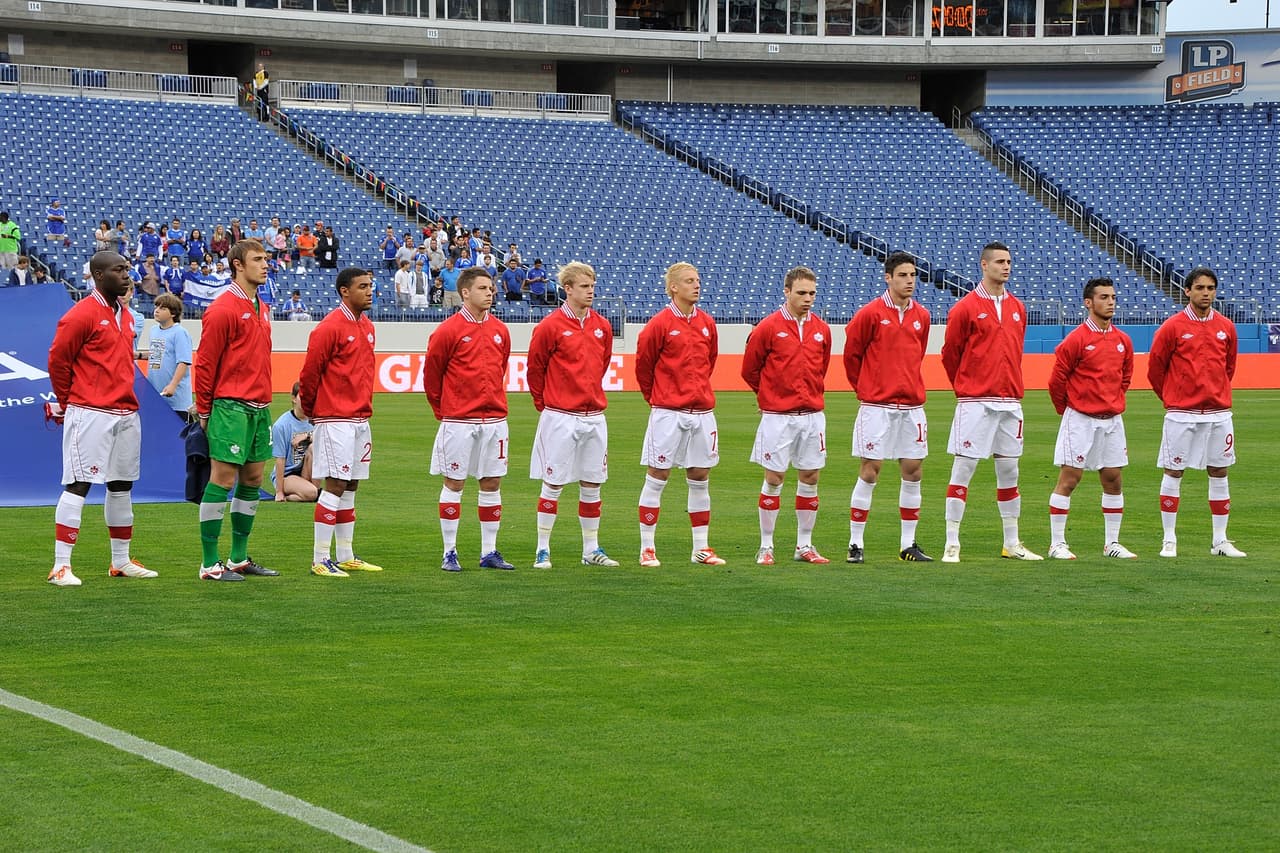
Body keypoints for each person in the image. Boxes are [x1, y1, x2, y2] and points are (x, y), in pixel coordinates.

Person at [45, 251, 156, 586]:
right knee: (78, 484)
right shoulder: (81, 315)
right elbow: (58, 362)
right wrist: (71, 403)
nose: (127, 275)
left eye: (127, 269)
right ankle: (60, 566)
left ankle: (120, 561)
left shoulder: (126, 314)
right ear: (97, 274)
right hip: (90, 411)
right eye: (118, 270)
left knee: (121, 485)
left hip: (126, 411)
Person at [939, 241, 1041, 563]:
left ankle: (1011, 542)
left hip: (1010, 400)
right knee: (964, 468)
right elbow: (950, 354)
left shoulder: (1017, 308)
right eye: (1000, 261)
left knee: (1010, 472)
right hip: (975, 400)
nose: (1006, 266)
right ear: (984, 265)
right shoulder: (965, 308)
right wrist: (966, 387)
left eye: (1009, 261)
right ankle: (952, 542)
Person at [191, 239, 280, 582]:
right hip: (229, 405)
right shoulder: (223, 308)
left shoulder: (263, 306)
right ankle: (209, 563)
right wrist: (204, 409)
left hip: (259, 406)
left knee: (254, 479)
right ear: (238, 265)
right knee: (223, 479)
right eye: (258, 259)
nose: (265, 264)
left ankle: (239, 557)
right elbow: (207, 362)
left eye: (266, 258)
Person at [842, 252, 934, 564]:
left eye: (913, 276)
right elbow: (852, 355)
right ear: (888, 278)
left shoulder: (922, 315)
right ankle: (856, 543)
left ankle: (908, 544)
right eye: (903, 275)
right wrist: (867, 389)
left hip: (911, 407)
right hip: (876, 406)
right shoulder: (869, 313)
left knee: (913, 471)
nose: (910, 281)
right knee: (871, 470)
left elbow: (917, 355)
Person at [526, 262, 618, 569]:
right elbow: (535, 370)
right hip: (560, 416)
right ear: (568, 289)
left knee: (592, 484)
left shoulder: (602, 326)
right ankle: (542, 548)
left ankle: (591, 548)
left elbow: (601, 365)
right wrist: (548, 405)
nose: (590, 291)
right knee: (553, 483)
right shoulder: (550, 327)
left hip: (594, 416)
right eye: (584, 286)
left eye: (592, 286)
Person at [1148, 266, 1245, 558]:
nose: (1206, 293)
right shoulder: (1172, 327)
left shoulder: (1226, 326)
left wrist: (1216, 394)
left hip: (1218, 413)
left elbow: (1229, 367)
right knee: (1174, 471)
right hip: (1182, 414)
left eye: (1210, 288)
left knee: (1219, 471)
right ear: (1187, 290)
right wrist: (1174, 397)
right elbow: (1155, 369)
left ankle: (1220, 540)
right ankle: (1169, 539)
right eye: (1200, 288)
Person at [423, 267, 514, 572]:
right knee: (454, 482)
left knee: (491, 482)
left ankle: (489, 551)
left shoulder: (501, 330)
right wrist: (447, 411)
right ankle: (449, 551)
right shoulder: (447, 331)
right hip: (459, 421)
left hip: (494, 421)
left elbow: (500, 369)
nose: (490, 293)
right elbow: (432, 378)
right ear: (465, 293)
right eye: (483, 288)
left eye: (491, 288)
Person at [635, 261, 724, 566]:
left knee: (700, 476)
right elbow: (644, 368)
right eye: (689, 281)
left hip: (701, 412)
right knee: (658, 475)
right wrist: (659, 399)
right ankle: (647, 547)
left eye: (698, 280)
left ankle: (701, 547)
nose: (696, 285)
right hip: (668, 412)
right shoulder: (658, 324)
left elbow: (709, 362)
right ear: (673, 287)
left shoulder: (707, 324)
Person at [741, 266, 832, 566]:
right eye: (801, 293)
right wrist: (768, 395)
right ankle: (766, 545)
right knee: (774, 477)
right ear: (787, 292)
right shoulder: (768, 327)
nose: (808, 298)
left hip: (812, 415)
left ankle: (804, 545)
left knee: (810, 476)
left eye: (812, 293)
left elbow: (822, 367)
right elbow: (749, 370)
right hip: (778, 416)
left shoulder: (822, 329)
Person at [299, 267, 382, 577]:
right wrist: (311, 410)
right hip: (335, 418)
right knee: (334, 485)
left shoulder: (368, 327)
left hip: (360, 418)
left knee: (351, 485)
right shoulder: (328, 328)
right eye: (362, 286)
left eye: (370, 286)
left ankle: (346, 554)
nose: (369, 291)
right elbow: (309, 374)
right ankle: (320, 559)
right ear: (345, 291)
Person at [1046, 278, 1137, 560]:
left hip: (1111, 420)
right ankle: (1057, 543)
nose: (1110, 302)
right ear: (1089, 302)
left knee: (1113, 480)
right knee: (1069, 479)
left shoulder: (1123, 340)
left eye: (1113, 297)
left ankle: (1112, 543)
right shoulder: (1076, 339)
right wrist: (1070, 411)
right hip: (1081, 419)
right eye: (1104, 297)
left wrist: (1111, 402)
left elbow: (1125, 378)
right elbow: (1056, 381)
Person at [145, 293, 194, 422]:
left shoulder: (180, 333)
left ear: (173, 313)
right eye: (156, 306)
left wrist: (173, 385)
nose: (157, 310)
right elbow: (159, 354)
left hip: (177, 401)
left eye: (162, 308)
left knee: (179, 439)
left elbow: (183, 362)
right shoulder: (154, 330)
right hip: (157, 398)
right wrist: (138, 355)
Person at [271, 382, 323, 503]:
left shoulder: (317, 419)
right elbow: (280, 459)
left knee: (315, 446)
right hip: (287, 474)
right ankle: (311, 493)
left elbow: (325, 438)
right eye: (303, 397)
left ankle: (311, 491)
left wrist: (307, 436)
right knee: (312, 493)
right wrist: (279, 491)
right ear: (294, 398)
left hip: (305, 470)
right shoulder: (281, 425)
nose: (307, 401)